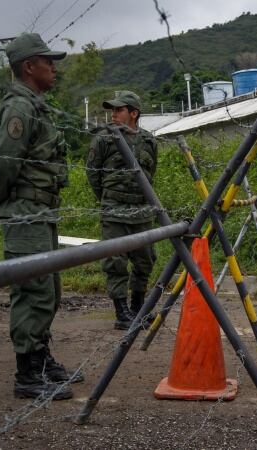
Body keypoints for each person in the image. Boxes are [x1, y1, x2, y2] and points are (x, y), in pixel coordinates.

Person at [0, 33, 82, 400]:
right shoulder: (19, 108)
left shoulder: (36, 106)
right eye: (47, 61)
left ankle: (40, 358)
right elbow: (1, 164)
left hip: (41, 211)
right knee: (33, 290)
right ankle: (28, 374)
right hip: (25, 212)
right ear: (28, 66)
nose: (54, 67)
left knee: (48, 289)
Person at [86, 91, 158, 330]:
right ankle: (121, 312)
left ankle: (138, 308)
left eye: (119, 110)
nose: (113, 115)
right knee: (115, 262)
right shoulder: (104, 140)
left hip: (141, 211)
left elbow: (150, 172)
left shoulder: (149, 141)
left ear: (133, 113)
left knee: (145, 260)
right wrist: (108, 199)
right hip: (114, 210)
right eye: (112, 110)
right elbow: (93, 173)